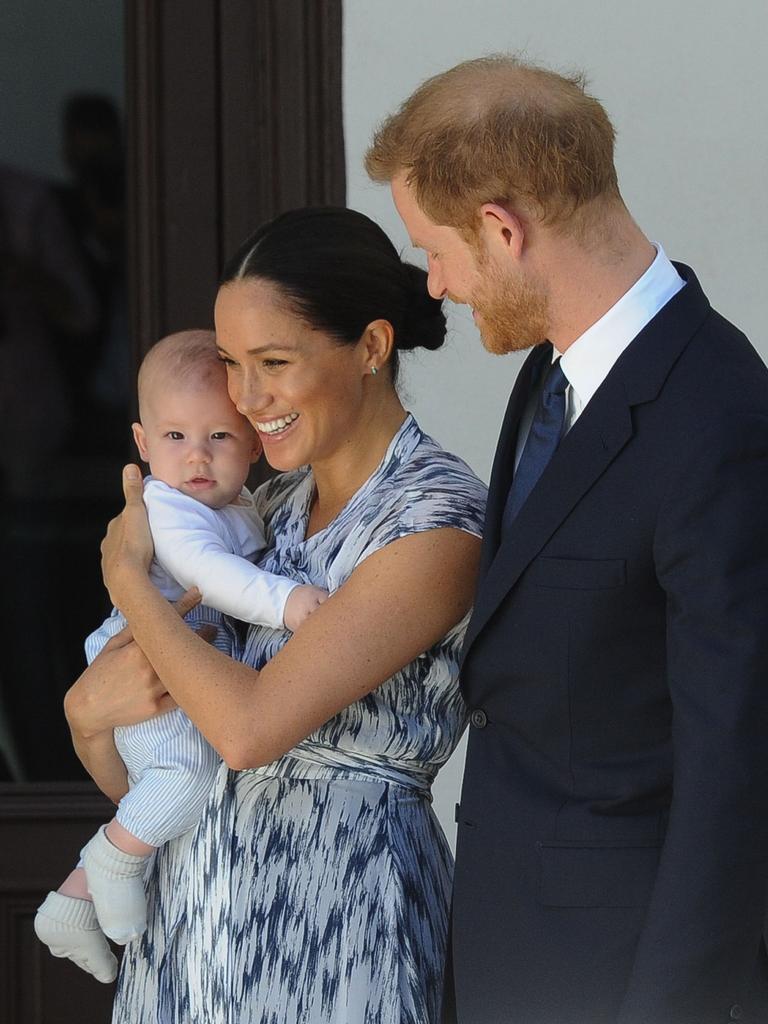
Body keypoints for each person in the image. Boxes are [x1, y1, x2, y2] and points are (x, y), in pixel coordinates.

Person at [365, 55, 768, 1024]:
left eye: (436, 249)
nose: (437, 282)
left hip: (620, 977)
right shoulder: (549, 373)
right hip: (517, 953)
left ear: (503, 230)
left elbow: (737, 766)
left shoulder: (718, 414)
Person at [63, 207, 487, 1023]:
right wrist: (87, 721)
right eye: (229, 363)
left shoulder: (435, 519)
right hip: (191, 931)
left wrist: (128, 580)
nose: (246, 397)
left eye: (274, 362)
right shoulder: (266, 506)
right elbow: (164, 775)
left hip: (338, 932)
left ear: (371, 346)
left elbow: (248, 731)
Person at [35, 329, 327, 981]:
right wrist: (287, 603)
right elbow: (211, 575)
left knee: (179, 776)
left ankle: (73, 901)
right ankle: (111, 860)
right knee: (188, 776)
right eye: (174, 438)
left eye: (219, 438)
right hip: (144, 663)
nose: (196, 456)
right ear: (142, 444)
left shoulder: (243, 504)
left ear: (254, 442)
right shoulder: (165, 510)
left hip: (177, 665)